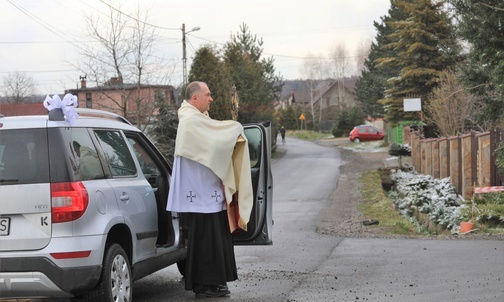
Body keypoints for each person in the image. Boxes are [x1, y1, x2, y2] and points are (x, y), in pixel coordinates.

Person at [167, 81, 253, 298]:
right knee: (204, 239)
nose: (211, 98)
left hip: (209, 190)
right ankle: (203, 285)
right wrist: (234, 129)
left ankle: (216, 282)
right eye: (208, 94)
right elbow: (212, 142)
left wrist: (231, 138)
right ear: (195, 98)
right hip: (198, 194)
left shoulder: (200, 120)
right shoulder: (189, 121)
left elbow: (214, 143)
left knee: (216, 237)